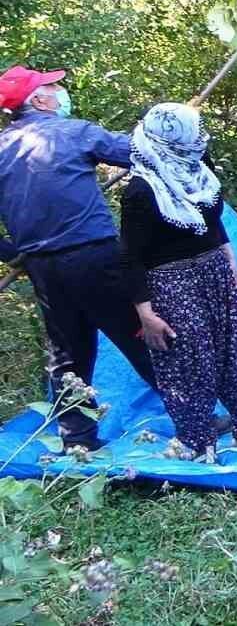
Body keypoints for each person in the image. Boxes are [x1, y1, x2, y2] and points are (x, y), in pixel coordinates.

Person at [0, 66, 159, 451]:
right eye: (54, 87)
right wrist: (159, 131)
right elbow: (138, 154)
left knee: (67, 351)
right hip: (93, 255)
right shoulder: (72, 132)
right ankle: (196, 416)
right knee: (141, 334)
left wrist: (12, 253)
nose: (61, 92)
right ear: (38, 100)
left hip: (42, 266)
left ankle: (78, 440)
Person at [121, 103, 237, 457]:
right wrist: (146, 313)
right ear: (173, 138)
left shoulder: (198, 169)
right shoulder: (141, 190)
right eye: (194, 130)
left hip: (215, 272)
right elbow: (130, 257)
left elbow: (212, 218)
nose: (201, 138)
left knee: (236, 350)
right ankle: (198, 442)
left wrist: (229, 254)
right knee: (189, 362)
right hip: (172, 285)